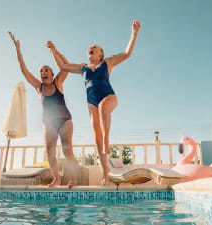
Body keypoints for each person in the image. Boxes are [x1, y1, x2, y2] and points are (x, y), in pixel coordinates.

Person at [46, 20, 141, 185]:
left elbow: (127, 54)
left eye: (95, 47)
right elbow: (63, 66)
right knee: (96, 136)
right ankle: (106, 172)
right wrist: (54, 51)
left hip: (109, 96)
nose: (91, 48)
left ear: (101, 54)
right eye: (90, 48)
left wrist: (134, 33)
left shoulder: (107, 63)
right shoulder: (83, 67)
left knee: (104, 108)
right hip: (91, 102)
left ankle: (107, 141)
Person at [8, 31, 78, 188]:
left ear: (52, 74)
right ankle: (57, 179)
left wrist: (54, 50)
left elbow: (66, 65)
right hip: (49, 121)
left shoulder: (58, 82)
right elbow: (23, 69)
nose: (43, 72)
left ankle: (73, 179)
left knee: (67, 148)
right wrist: (17, 48)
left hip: (64, 119)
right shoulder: (38, 87)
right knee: (49, 149)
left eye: (46, 70)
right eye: (41, 71)